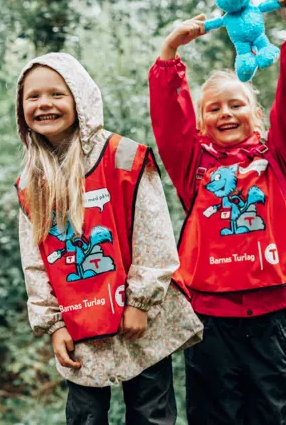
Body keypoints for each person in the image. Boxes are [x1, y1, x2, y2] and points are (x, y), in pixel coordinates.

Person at [148, 0, 286, 424]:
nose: (225, 113)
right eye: (214, 109)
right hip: (211, 323)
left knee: (270, 416)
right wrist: (169, 53)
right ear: (203, 122)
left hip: (269, 321)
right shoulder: (194, 167)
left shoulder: (276, 161)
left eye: (236, 105)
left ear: (256, 116)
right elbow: (170, 124)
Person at [14, 52, 202, 425]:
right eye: (33, 97)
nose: (44, 104)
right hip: (79, 322)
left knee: (152, 413)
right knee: (85, 416)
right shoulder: (30, 181)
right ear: (21, 109)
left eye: (57, 94)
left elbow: (154, 235)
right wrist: (54, 324)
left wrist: (140, 302)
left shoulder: (124, 156)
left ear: (80, 98)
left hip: (140, 319)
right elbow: (35, 259)